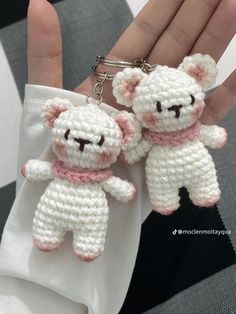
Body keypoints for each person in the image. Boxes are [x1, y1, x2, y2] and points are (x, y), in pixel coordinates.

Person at [0, 0, 235, 313]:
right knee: (90, 220)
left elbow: (135, 159)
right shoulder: (116, 147)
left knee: (184, 183)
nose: (83, 146)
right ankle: (73, 238)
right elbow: (117, 174)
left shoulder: (145, 136)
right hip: (71, 208)